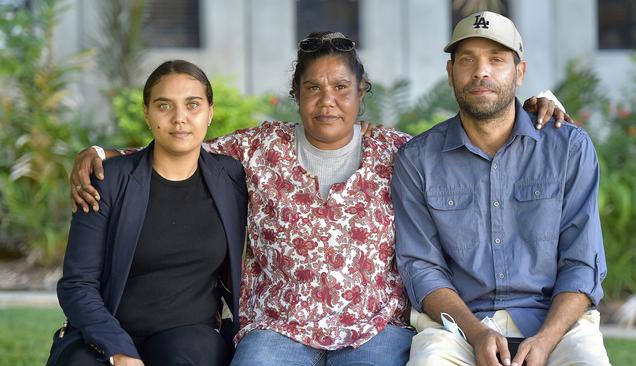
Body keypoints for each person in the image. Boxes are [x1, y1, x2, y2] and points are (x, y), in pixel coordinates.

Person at [70, 31, 566, 365]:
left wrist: (532, 107)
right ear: (296, 93)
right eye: (313, 87)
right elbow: (179, 144)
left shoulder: (403, 153)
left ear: (361, 92)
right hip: (276, 330)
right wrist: (102, 153)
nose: (327, 99)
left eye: (341, 87)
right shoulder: (257, 149)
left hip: (375, 330)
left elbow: (476, 143)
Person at [391, 11, 610, 366]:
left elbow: (582, 262)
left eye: (496, 59)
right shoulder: (418, 160)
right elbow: (422, 267)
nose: (481, 71)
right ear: (450, 74)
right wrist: (476, 332)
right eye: (467, 60)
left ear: (520, 72)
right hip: (457, 328)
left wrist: (544, 341)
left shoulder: (568, 148)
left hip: (556, 324)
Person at [47, 60, 248, 366]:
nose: (179, 118)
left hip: (190, 335)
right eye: (164, 105)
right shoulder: (107, 180)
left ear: (210, 112)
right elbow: (77, 283)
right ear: (147, 113)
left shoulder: (231, 177)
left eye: (192, 105)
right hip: (110, 328)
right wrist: (119, 350)